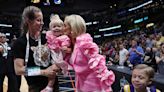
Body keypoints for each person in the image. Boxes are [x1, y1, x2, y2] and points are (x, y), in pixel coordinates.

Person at [13, 6, 59, 92]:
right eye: (38, 20)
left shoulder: (47, 38)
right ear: (28, 21)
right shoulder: (20, 42)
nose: (42, 23)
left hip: (53, 85)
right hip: (35, 87)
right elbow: (18, 70)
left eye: (42, 20)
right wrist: (43, 72)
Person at [64, 14, 115, 92]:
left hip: (94, 87)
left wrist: (106, 88)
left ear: (72, 27)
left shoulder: (84, 43)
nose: (63, 28)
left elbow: (98, 65)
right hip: (81, 84)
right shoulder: (72, 44)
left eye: (65, 25)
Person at [41, 14, 71, 92]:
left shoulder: (64, 37)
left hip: (59, 57)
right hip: (51, 57)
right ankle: (49, 87)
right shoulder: (49, 37)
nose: (56, 28)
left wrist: (65, 48)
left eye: (59, 26)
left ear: (63, 28)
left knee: (52, 70)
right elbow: (19, 70)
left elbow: (66, 45)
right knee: (51, 71)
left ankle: (49, 86)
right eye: (54, 27)